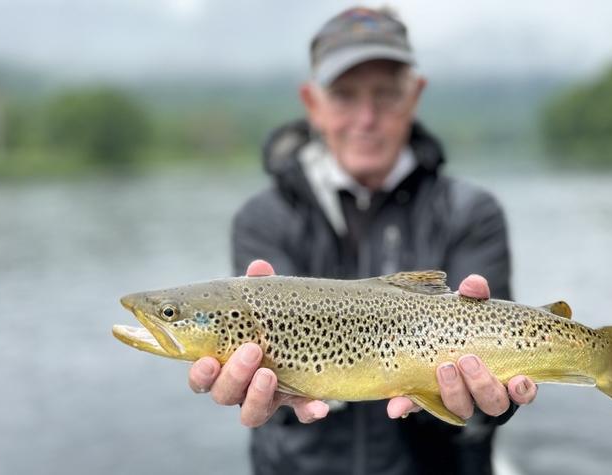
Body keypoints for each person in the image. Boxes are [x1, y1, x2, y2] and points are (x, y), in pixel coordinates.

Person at [189, 7, 537, 475]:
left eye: (386, 94)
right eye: (345, 95)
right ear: (312, 103)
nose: (366, 117)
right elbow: (263, 371)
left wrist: (487, 406)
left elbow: (504, 375)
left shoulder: (471, 212)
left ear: (414, 96)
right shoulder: (264, 218)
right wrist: (276, 392)